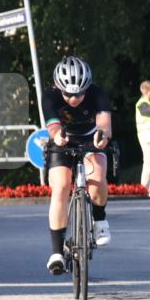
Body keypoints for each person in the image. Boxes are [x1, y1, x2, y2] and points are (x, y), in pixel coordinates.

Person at [42, 56, 112, 275]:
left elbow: (104, 126)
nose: (74, 99)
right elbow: (53, 127)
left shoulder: (98, 94)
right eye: (68, 94)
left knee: (97, 177)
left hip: (91, 137)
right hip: (62, 139)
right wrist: (58, 137)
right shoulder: (50, 96)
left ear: (87, 88)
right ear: (58, 87)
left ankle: (99, 219)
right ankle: (56, 252)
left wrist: (102, 138)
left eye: (80, 94)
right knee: (61, 187)